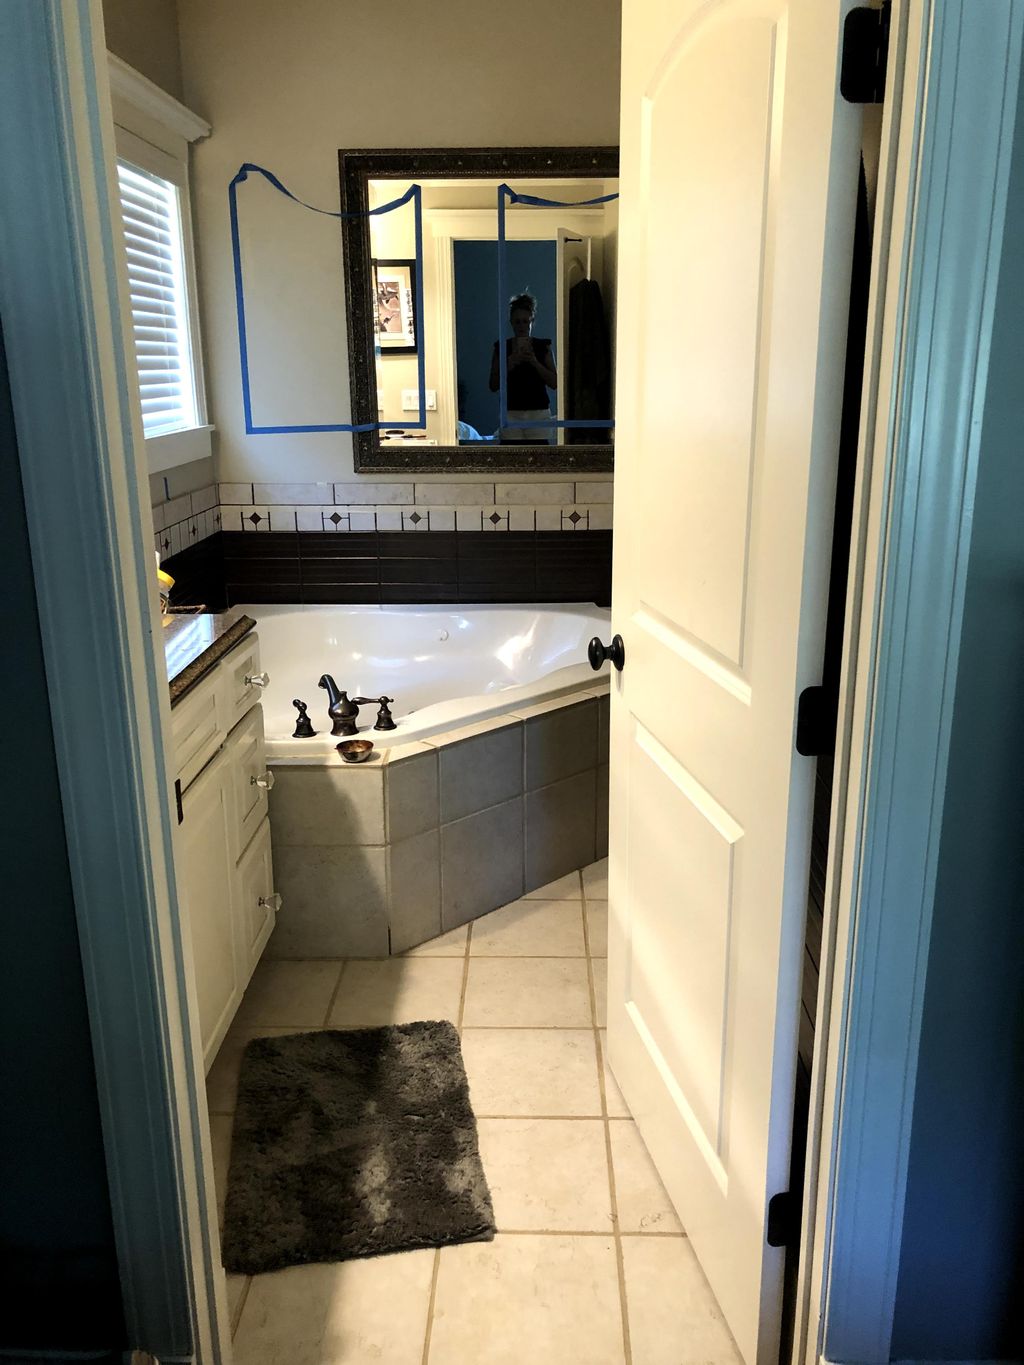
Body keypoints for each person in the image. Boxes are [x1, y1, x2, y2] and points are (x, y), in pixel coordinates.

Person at [489, 292, 557, 442]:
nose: (522, 326)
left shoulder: (542, 346)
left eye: (526, 321)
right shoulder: (502, 348)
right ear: (511, 322)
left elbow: (555, 383)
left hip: (538, 411)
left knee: (539, 458)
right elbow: (493, 385)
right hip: (510, 411)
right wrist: (509, 363)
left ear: (532, 321)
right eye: (518, 322)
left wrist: (534, 362)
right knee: (512, 458)